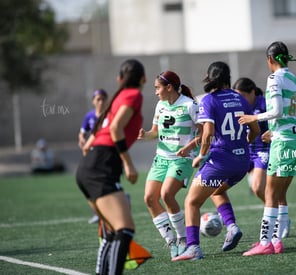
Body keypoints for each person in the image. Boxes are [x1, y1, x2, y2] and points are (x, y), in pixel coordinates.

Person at [172, 61, 260, 261]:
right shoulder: (240, 98)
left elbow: (208, 133)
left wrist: (201, 155)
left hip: (220, 162)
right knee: (216, 191)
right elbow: (254, 130)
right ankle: (231, 226)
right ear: (228, 78)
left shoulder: (209, 100)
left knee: (192, 201)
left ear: (209, 78)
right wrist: (242, 145)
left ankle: (193, 248)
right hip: (242, 162)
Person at [76, 59, 145, 275]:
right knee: (125, 230)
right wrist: (128, 164)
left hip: (91, 166)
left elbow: (93, 140)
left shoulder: (116, 99)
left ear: (119, 79)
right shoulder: (133, 95)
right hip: (102, 167)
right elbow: (116, 129)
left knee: (114, 231)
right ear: (143, 79)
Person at [239, 41, 296, 256]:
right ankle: (275, 241)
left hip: (285, 142)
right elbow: (289, 112)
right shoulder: (292, 77)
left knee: (269, 193)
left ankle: (265, 243)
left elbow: (276, 110)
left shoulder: (274, 78)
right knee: (279, 194)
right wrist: (274, 131)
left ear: (270, 59)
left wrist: (254, 117)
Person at [137, 71, 202, 258]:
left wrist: (189, 147)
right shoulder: (160, 105)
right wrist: (145, 135)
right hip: (161, 158)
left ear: (169, 87)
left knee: (166, 194)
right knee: (149, 198)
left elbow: (205, 133)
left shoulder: (190, 105)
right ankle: (171, 241)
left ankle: (183, 239)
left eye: (157, 88)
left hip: (182, 159)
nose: (156, 92)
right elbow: (155, 132)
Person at [233, 78, 290, 239]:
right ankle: (276, 216)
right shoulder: (237, 105)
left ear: (252, 92)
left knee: (258, 187)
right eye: (238, 96)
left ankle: (279, 218)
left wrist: (272, 133)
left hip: (263, 150)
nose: (240, 99)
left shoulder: (265, 103)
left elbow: (281, 119)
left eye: (243, 95)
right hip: (245, 149)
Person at [78, 89, 108, 224]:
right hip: (91, 153)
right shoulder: (89, 116)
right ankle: (97, 212)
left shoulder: (109, 116)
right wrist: (82, 140)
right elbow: (82, 132)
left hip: (105, 154)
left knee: (104, 183)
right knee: (87, 182)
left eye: (103, 99)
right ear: (93, 101)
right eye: (98, 99)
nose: (100, 102)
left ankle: (110, 208)